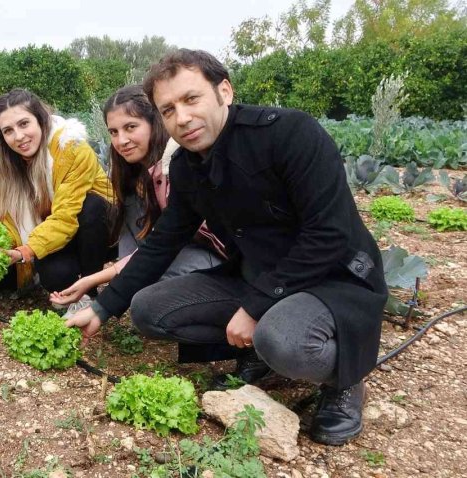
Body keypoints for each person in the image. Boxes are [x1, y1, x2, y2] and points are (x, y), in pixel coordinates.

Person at [66, 49, 388, 446]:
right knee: (149, 310)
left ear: (225, 91)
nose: (181, 117)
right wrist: (104, 306)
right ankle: (263, 355)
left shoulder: (289, 134)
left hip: (332, 280)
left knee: (281, 339)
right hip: (256, 275)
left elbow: (329, 234)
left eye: (191, 99)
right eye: (168, 109)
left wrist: (255, 308)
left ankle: (344, 377)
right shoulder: (187, 166)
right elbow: (164, 241)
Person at [50, 85, 225, 309]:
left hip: (211, 255)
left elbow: (163, 245)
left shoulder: (176, 167)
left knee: (145, 284)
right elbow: (138, 241)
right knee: (136, 279)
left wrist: (99, 280)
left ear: (154, 122)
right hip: (168, 251)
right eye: (113, 132)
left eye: (131, 127)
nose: (121, 140)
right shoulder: (130, 174)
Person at [0, 88, 113, 292]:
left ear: (41, 120)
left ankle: (89, 292)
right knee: (54, 275)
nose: (18, 136)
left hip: (100, 230)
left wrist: (26, 251)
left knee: (91, 205)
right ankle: (68, 286)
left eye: (24, 124)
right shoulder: (6, 171)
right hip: (58, 232)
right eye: (8, 131)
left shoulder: (72, 151)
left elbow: (66, 215)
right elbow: (9, 225)